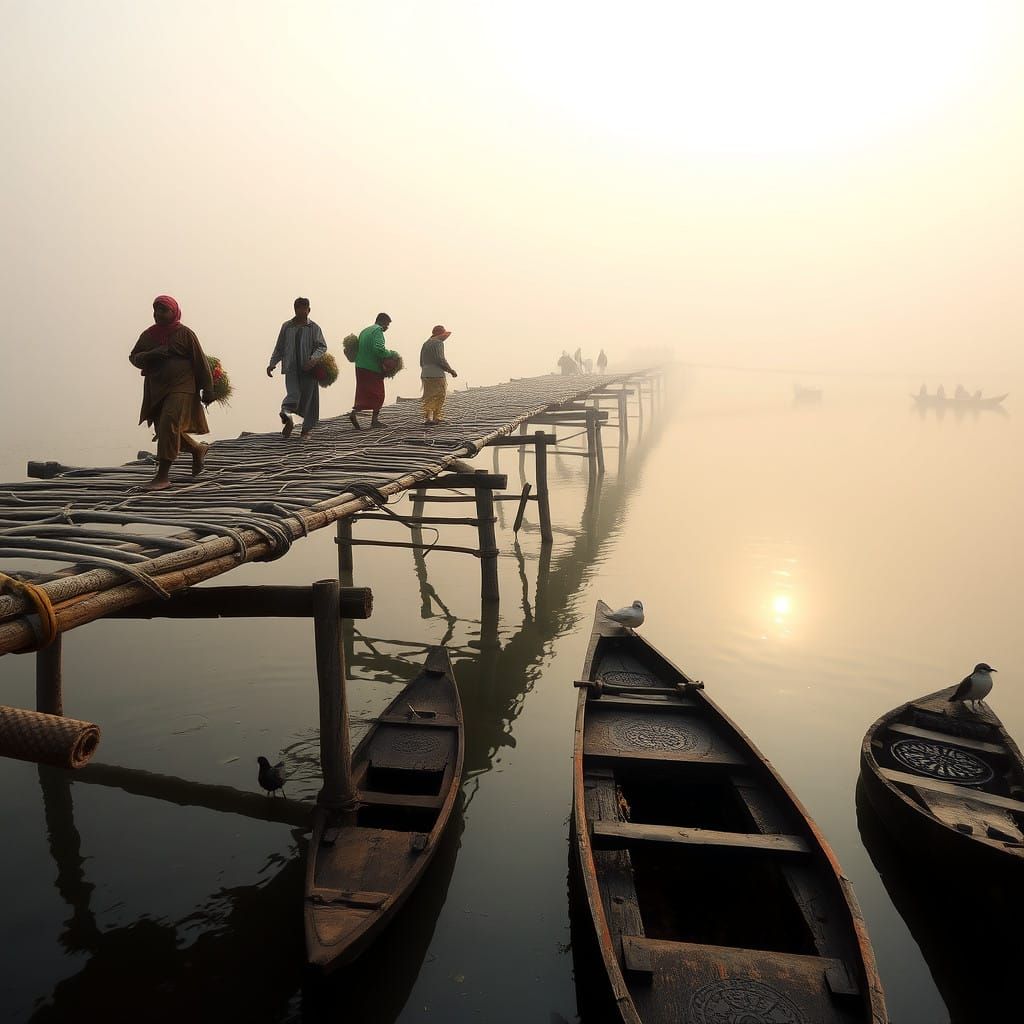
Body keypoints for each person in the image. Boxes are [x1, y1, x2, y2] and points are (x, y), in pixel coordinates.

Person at [129, 295, 214, 492]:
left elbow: (199, 361)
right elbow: (134, 358)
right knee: (164, 428)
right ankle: (197, 449)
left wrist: (207, 388)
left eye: (163, 310)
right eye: (156, 310)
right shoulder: (149, 336)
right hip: (156, 389)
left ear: (174, 312)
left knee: (169, 422)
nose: (158, 314)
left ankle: (162, 476)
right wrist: (152, 354)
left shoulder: (185, 334)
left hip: (182, 387)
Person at [266, 297, 327, 441]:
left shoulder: (314, 328)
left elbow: (322, 346)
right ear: (294, 309)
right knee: (293, 395)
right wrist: (272, 363)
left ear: (309, 310)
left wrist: (313, 359)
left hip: (309, 370)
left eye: (304, 309)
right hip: (291, 368)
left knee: (309, 400)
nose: (301, 312)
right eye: (298, 309)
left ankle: (305, 431)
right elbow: (279, 347)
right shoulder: (287, 327)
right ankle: (287, 417)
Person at [349, 313, 397, 429]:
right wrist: (391, 354)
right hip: (372, 367)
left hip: (360, 366)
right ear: (383, 322)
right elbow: (379, 349)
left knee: (363, 393)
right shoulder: (378, 331)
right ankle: (374, 421)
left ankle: (354, 413)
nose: (387, 327)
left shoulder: (365, 330)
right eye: (387, 324)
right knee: (379, 394)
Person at [420, 325, 457, 426]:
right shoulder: (438, 343)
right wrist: (450, 370)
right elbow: (440, 359)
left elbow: (421, 361)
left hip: (425, 373)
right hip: (436, 374)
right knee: (440, 395)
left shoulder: (426, 343)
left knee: (428, 396)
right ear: (441, 334)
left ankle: (428, 418)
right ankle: (436, 417)